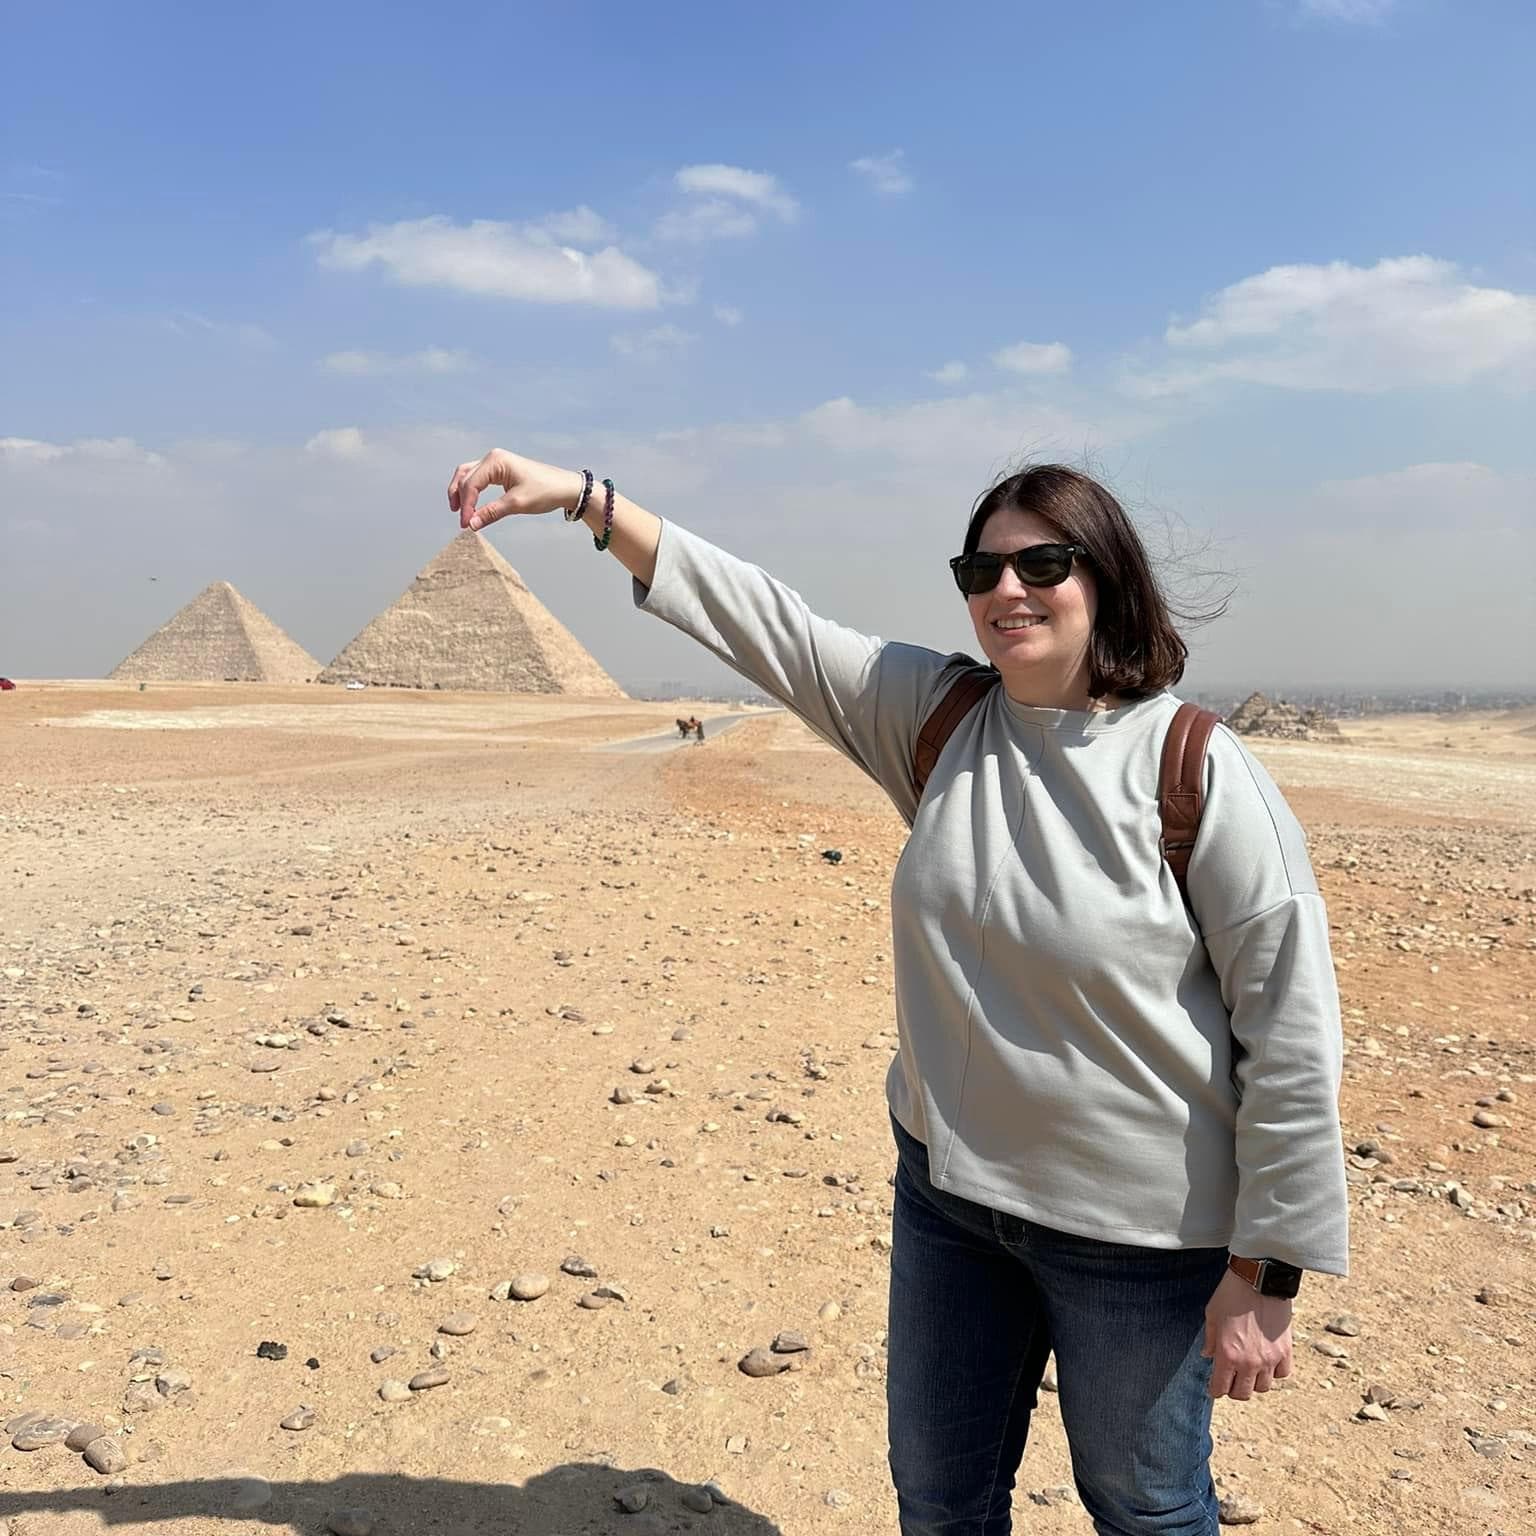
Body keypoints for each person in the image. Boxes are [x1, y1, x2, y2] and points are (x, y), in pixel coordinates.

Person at [446, 450, 1349, 1536]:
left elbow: (1292, 1034)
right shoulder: (940, 719)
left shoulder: (1195, 768)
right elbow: (772, 626)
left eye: (1043, 564)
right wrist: (591, 503)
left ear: (1106, 577)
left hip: (1136, 1240)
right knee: (939, 1501)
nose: (1008, 591)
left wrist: (1266, 1272)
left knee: (1145, 1510)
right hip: (952, 1206)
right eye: (981, 571)